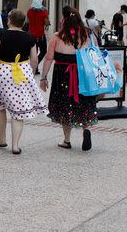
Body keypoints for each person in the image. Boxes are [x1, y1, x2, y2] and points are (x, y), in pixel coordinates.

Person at [0, 10, 47, 154]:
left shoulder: (0, 35)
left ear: (9, 20)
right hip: (22, 72)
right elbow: (34, 59)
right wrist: (32, 73)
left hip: (3, 71)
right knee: (19, 110)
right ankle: (15, 146)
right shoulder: (29, 37)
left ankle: (2, 140)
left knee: (0, 107)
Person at [39, 8, 98, 151]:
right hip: (83, 75)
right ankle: (86, 129)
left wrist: (43, 77)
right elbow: (95, 55)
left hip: (63, 76)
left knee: (65, 105)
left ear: (64, 20)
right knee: (84, 102)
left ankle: (66, 140)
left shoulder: (58, 37)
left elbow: (48, 58)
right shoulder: (88, 35)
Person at [26, 0, 50, 73]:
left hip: (31, 35)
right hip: (40, 35)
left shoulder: (29, 11)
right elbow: (46, 23)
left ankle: (34, 68)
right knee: (43, 51)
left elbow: (28, 20)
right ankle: (35, 67)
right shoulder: (44, 12)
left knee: (33, 53)